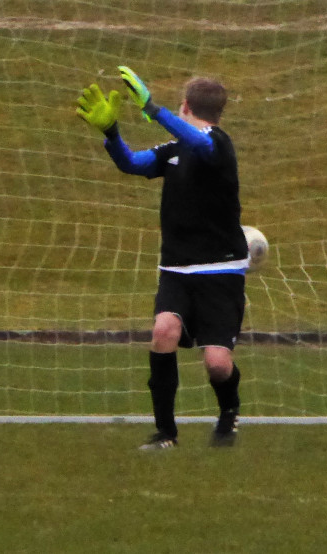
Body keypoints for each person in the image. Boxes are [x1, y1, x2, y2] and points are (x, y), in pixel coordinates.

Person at [77, 66, 248, 450]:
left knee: (217, 365)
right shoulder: (173, 151)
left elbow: (201, 144)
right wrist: (111, 133)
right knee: (163, 332)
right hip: (175, 268)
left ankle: (228, 411)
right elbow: (131, 164)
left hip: (221, 270)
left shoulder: (217, 144)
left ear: (184, 107)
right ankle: (165, 434)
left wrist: (153, 109)